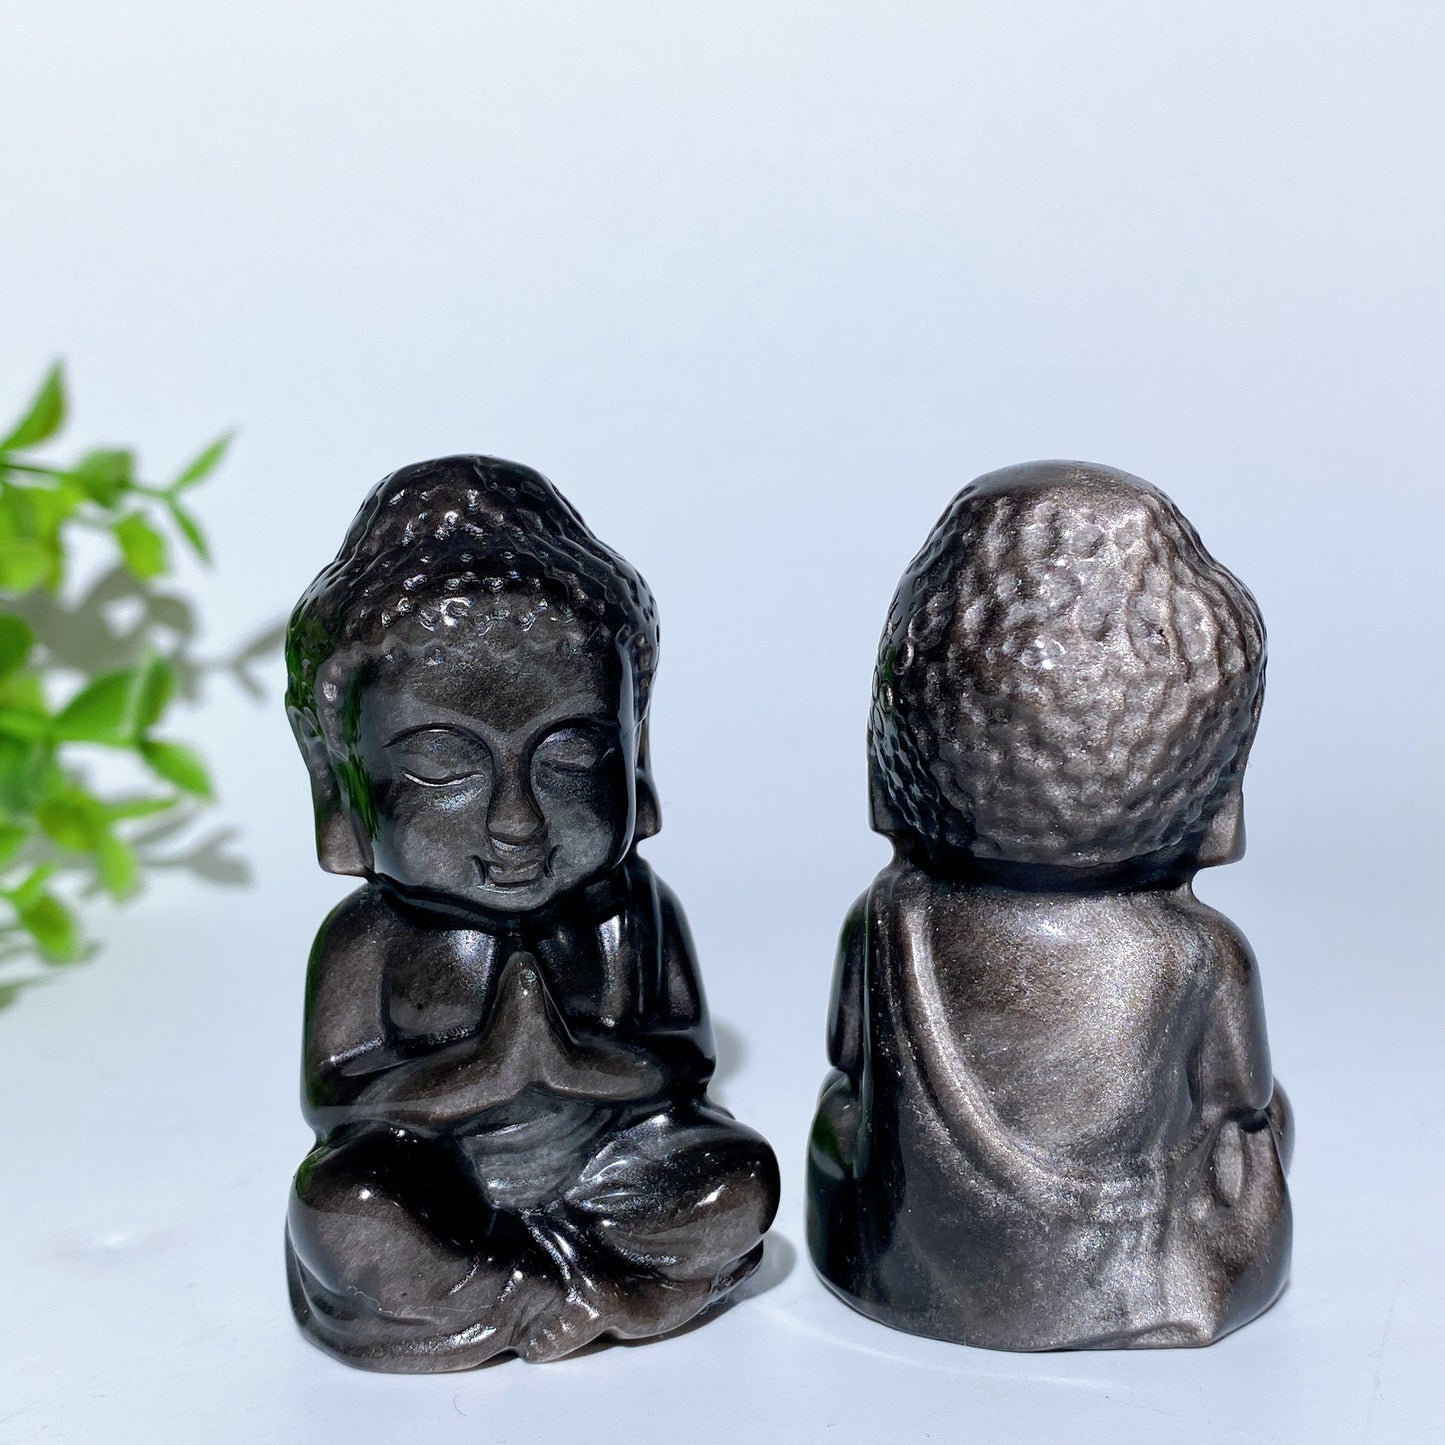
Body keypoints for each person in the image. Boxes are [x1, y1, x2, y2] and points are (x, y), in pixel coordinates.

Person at [283, 455, 779, 1369]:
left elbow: (683, 1069)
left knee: (736, 1176)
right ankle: (586, 1288)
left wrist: (572, 1066)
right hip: (436, 1184)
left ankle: (546, 1288)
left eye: (569, 755)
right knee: (345, 1206)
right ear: (342, 780)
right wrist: (489, 1072)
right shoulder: (370, 936)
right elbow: (338, 1108)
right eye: (442, 765)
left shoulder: (631, 910)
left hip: (605, 1164)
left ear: (634, 746)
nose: (516, 821)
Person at [808, 461, 1292, 1350]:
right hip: (1136, 1272)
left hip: (904, 1255)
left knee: (846, 1117)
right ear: (1217, 800)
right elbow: (1240, 1103)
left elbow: (847, 1070)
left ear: (889, 764)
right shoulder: (1197, 953)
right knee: (1259, 1139)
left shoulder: (885, 919)